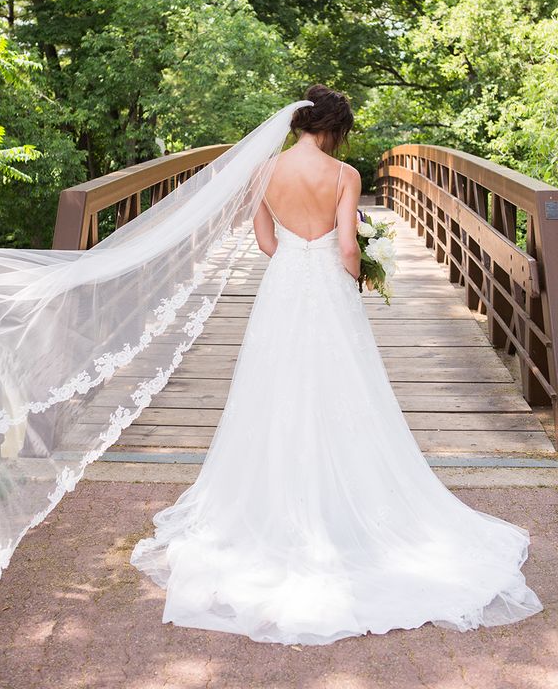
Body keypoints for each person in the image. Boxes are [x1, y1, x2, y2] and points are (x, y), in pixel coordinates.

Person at [130, 84, 543, 645]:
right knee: (345, 386)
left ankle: (271, 498)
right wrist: (350, 276)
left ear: (298, 123)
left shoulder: (264, 171)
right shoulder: (344, 176)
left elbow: (264, 238)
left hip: (282, 286)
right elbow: (348, 246)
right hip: (327, 283)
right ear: (334, 129)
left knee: (274, 385)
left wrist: (295, 263)